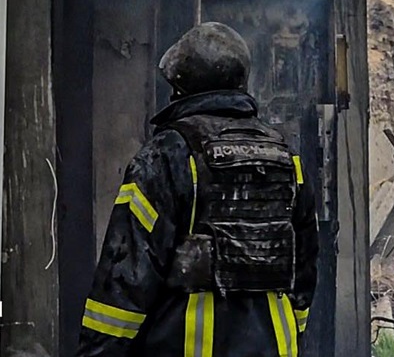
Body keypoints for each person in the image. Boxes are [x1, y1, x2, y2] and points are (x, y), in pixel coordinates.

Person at [77, 22, 319, 357]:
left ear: (183, 87)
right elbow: (304, 273)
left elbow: (125, 281)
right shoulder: (286, 157)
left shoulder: (167, 155)